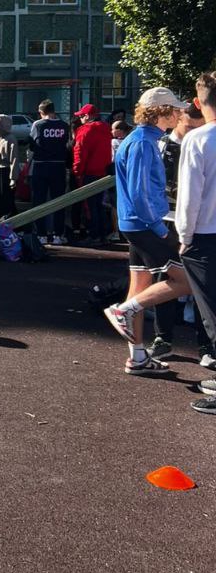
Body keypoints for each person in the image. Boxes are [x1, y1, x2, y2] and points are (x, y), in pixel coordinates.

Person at [103, 87, 193, 374]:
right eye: (175, 109)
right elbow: (140, 192)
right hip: (145, 225)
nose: (179, 114)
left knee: (139, 289)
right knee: (187, 281)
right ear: (161, 111)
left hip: (135, 224)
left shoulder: (140, 139)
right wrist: (160, 229)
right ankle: (123, 312)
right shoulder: (144, 142)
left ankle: (138, 356)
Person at [149, 102, 209, 361]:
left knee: (204, 285)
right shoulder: (161, 145)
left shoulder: (203, 142)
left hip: (199, 222)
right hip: (167, 220)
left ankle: (206, 345)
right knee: (166, 278)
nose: (194, 131)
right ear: (180, 119)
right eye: (190, 126)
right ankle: (163, 337)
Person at [175, 73, 216, 413]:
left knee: (212, 313)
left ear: (198, 103)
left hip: (206, 234)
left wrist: (184, 237)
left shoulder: (198, 139)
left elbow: (189, 197)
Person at [28, 100, 70, 245]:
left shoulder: (38, 125)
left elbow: (32, 144)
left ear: (41, 112)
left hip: (41, 165)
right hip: (58, 166)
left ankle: (41, 234)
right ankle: (58, 234)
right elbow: (67, 145)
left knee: (38, 200)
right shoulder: (64, 125)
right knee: (59, 200)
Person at [72, 104, 113, 245]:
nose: (80, 118)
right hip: (103, 172)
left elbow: (80, 152)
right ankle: (102, 235)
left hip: (88, 173)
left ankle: (93, 235)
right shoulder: (106, 129)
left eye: (81, 116)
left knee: (89, 207)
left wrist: (77, 171)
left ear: (87, 116)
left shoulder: (85, 130)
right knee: (100, 205)